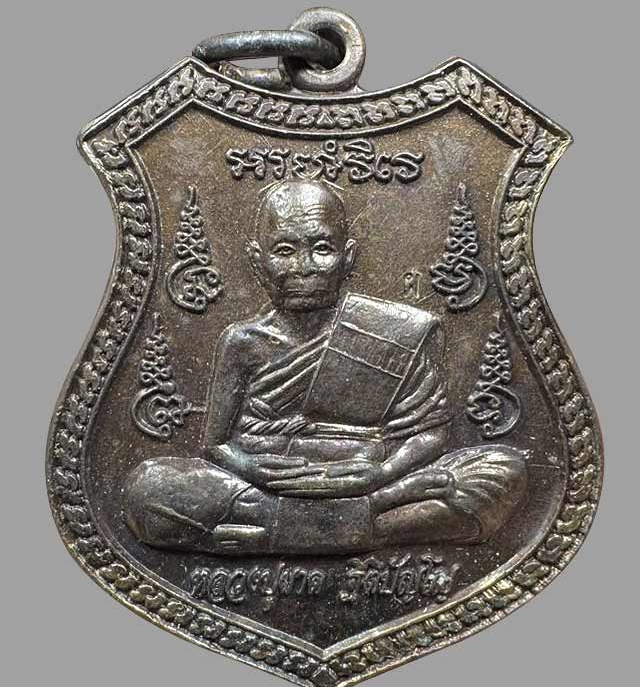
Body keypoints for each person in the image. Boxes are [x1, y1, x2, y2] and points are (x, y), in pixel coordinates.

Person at [125, 179, 526, 555]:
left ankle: (276, 532)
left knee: (503, 470)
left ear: (347, 258)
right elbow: (215, 446)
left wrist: (382, 474)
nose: (305, 266)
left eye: (321, 248)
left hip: (369, 476)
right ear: (257, 261)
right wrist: (252, 469)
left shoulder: (392, 331)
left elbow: (432, 433)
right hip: (272, 484)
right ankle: (372, 525)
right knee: (150, 486)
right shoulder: (243, 342)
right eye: (284, 251)